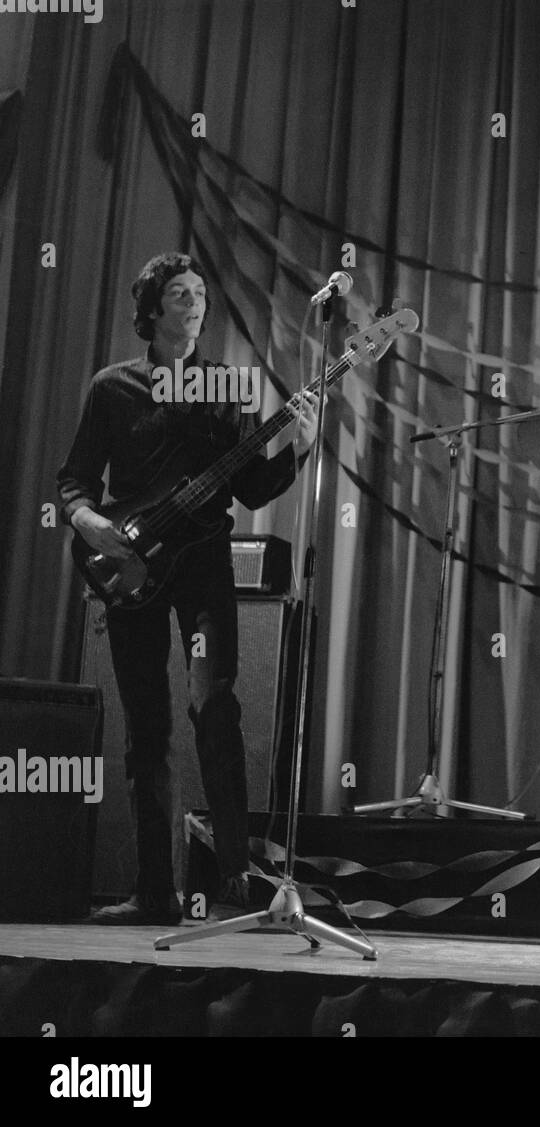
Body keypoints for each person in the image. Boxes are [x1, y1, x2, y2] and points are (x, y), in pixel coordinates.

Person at [57, 252, 318, 925]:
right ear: (152, 308)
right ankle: (153, 894)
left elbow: (251, 484)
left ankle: (235, 874)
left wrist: (298, 446)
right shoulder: (111, 387)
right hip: (130, 565)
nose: (195, 302)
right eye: (180, 293)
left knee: (216, 706)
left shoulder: (225, 390)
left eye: (201, 292)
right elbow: (76, 479)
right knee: (147, 729)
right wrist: (89, 522)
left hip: (203, 564)